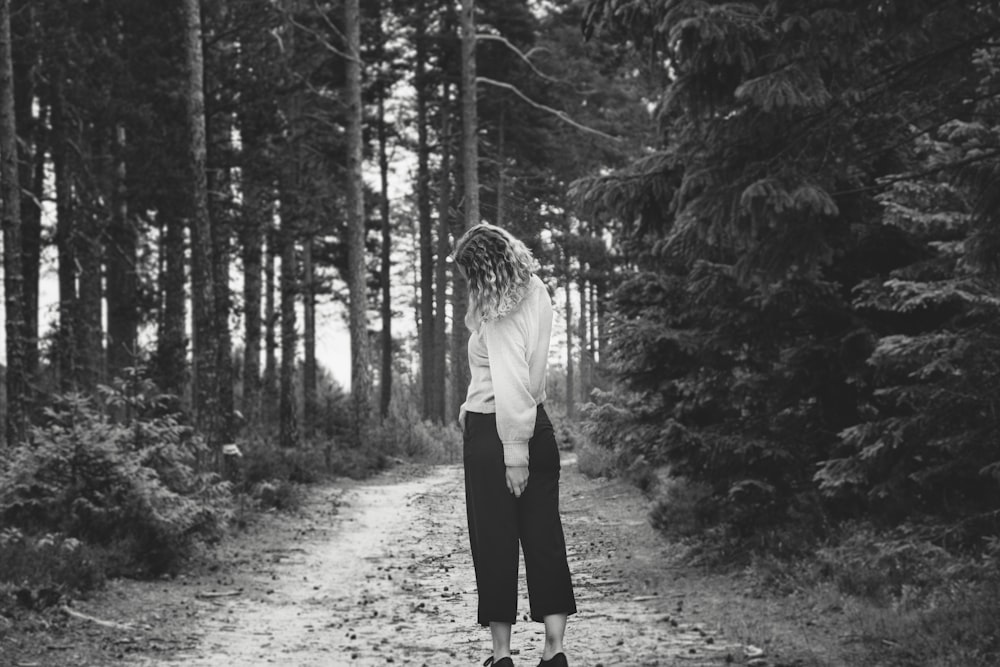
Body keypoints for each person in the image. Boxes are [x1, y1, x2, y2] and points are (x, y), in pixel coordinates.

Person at [452, 223, 577, 667]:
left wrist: (514, 453)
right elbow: (530, 376)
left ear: (484, 269)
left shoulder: (498, 313)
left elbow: (509, 384)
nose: (469, 285)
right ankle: (554, 651)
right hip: (538, 428)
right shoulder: (538, 289)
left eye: (470, 274)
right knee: (545, 540)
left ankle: (502, 657)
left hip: (500, 435)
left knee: (496, 545)